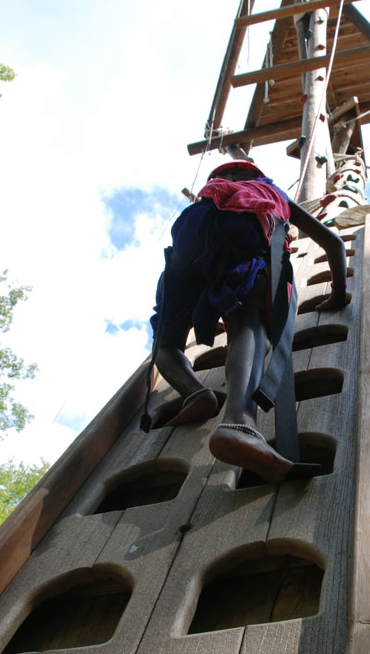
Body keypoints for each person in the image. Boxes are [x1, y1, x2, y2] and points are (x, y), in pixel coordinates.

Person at [149, 158, 348, 483]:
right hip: (244, 232)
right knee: (250, 326)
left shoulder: (207, 198)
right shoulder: (269, 192)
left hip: (189, 238)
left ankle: (195, 392)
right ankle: (239, 424)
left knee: (165, 342)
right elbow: (335, 244)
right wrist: (338, 295)